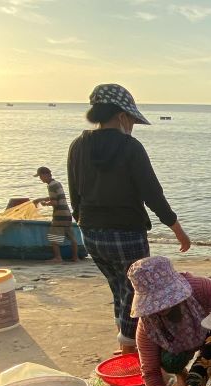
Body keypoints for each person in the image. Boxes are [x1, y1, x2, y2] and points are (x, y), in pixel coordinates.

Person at [67, 83, 191, 354]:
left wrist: (82, 220)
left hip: (91, 233)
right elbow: (152, 194)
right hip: (127, 233)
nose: (133, 125)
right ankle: (129, 349)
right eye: (133, 120)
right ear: (122, 116)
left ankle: (125, 341)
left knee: (118, 288)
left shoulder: (78, 145)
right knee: (136, 292)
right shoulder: (130, 147)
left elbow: (74, 192)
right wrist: (177, 229)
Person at [127, 256, 211, 386]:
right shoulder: (147, 325)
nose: (162, 307)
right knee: (168, 362)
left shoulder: (201, 287)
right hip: (178, 348)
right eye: (156, 303)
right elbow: (150, 371)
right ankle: (181, 375)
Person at [33, 166, 79, 263]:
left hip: (59, 215)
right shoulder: (57, 183)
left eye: (40, 176)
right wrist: (40, 199)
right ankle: (75, 258)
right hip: (67, 214)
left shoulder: (51, 186)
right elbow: (56, 197)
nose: (40, 179)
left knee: (54, 238)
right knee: (72, 238)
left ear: (46, 175)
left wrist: (45, 204)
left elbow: (55, 202)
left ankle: (58, 258)